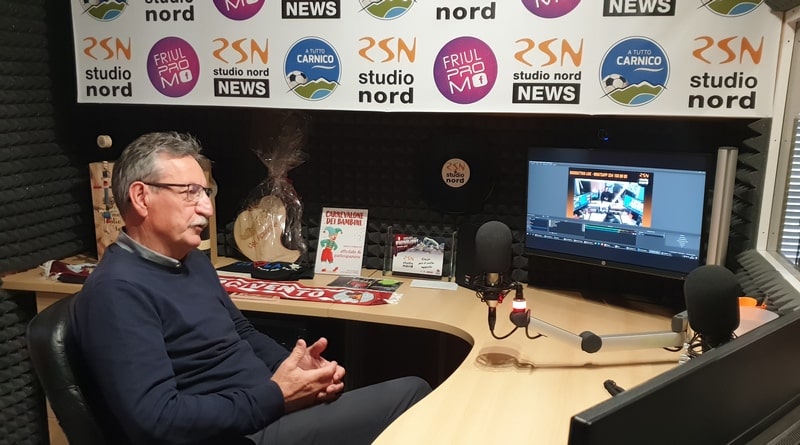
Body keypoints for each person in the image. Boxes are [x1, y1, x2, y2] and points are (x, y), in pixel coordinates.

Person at [71, 131, 431, 445]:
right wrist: (277, 396)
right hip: (235, 435)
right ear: (141, 197)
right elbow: (158, 421)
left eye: (206, 193)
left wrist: (294, 369)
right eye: (190, 193)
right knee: (411, 395)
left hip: (263, 413)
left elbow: (240, 332)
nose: (206, 208)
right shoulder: (116, 292)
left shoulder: (191, 261)